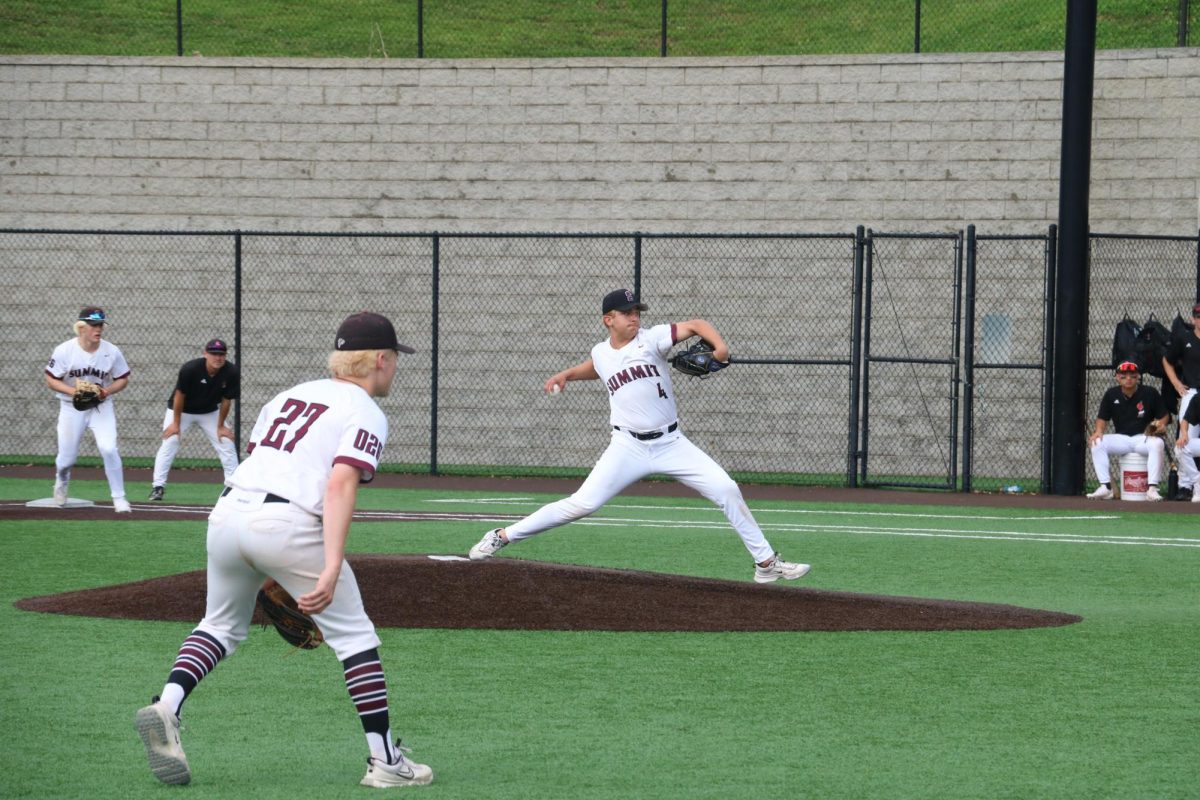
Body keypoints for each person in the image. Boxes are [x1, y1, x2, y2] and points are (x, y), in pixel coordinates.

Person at [134, 312, 432, 789]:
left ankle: (167, 705)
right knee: (355, 638)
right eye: (395, 358)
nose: (395, 366)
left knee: (219, 626)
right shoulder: (366, 411)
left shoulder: (289, 395)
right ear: (379, 359)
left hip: (228, 514)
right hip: (288, 522)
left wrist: (268, 559)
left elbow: (266, 461)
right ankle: (385, 763)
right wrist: (331, 564)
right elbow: (338, 485)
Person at [469, 288, 811, 583]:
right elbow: (598, 368)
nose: (634, 318)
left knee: (726, 489)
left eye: (636, 312)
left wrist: (719, 348)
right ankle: (502, 535)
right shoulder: (601, 352)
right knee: (581, 504)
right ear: (608, 320)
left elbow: (696, 325)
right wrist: (567, 374)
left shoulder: (652, 338)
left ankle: (766, 564)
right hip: (627, 446)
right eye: (627, 313)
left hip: (672, 443)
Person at [44, 306, 132, 513]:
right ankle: (61, 482)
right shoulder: (65, 350)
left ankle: (119, 498)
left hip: (100, 406)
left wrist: (107, 391)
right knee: (67, 459)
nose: (98, 329)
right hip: (71, 407)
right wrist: (72, 391)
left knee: (109, 448)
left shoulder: (111, 351)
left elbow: (123, 378)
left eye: (100, 325)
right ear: (81, 327)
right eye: (93, 325)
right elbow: (50, 379)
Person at [149, 338, 241, 501]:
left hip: (209, 411)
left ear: (225, 356)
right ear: (205, 354)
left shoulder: (231, 371)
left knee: (226, 442)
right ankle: (158, 487)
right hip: (181, 410)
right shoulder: (190, 369)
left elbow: (227, 400)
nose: (217, 358)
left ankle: (233, 488)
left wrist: (220, 426)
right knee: (170, 441)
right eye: (213, 353)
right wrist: (176, 424)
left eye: (221, 354)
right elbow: (179, 395)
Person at [1086, 360, 1169, 501]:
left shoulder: (1150, 392)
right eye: (1124, 375)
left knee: (1157, 444)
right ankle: (1105, 487)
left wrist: (1160, 425)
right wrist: (1099, 431)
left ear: (1138, 377)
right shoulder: (1111, 394)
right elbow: (1102, 418)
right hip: (1122, 439)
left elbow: (1164, 416)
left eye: (1132, 375)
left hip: (1142, 438)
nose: (1128, 379)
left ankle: (1152, 489)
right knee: (1097, 442)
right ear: (1117, 377)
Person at [1163, 302, 1200, 500]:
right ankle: (1187, 485)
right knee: (1186, 438)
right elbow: (1166, 360)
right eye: (1198, 316)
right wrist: (1176, 382)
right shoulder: (1184, 338)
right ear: (1194, 318)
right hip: (1191, 392)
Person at [1174, 387, 1200, 504]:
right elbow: (1185, 421)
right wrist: (1184, 434)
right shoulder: (1197, 398)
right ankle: (1197, 482)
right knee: (1181, 447)